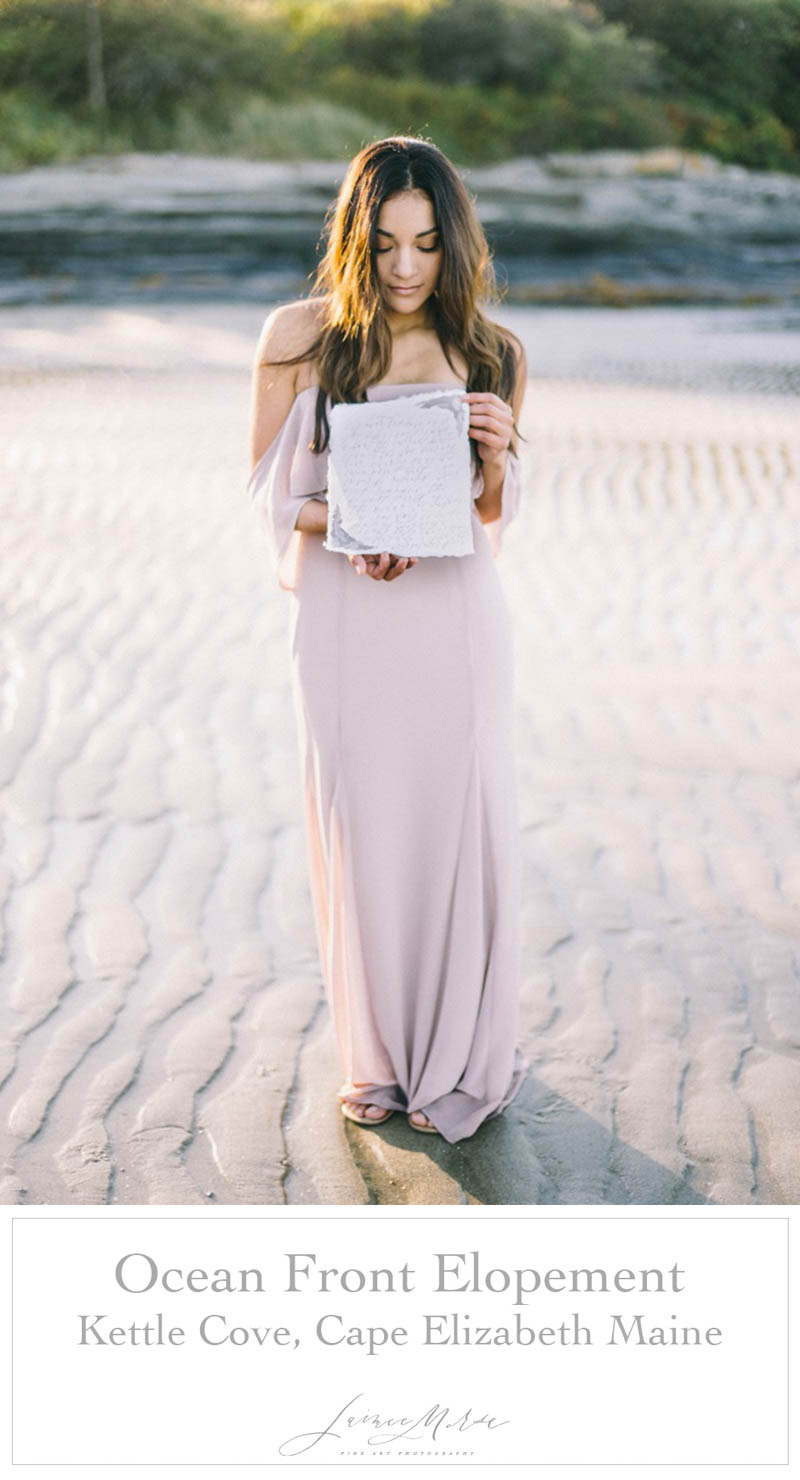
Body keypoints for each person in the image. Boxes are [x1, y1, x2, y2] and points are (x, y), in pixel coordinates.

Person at [247, 135, 529, 1143]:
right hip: (343, 620)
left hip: (451, 623)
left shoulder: (492, 352)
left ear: (454, 247)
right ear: (352, 242)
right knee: (359, 824)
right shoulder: (295, 339)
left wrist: (493, 461)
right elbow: (268, 500)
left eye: (424, 245)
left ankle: (457, 1053)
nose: (405, 268)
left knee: (459, 821)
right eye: (383, 245)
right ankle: (374, 1057)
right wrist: (362, 522)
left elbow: (485, 520)